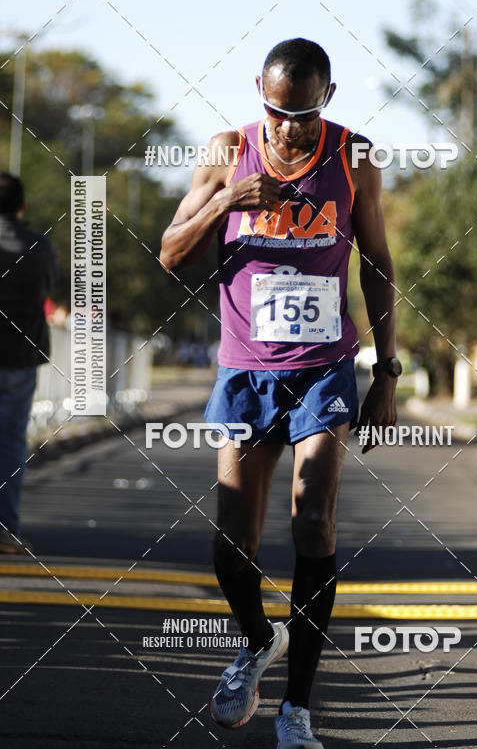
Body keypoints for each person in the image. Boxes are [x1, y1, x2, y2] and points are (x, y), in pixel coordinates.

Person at [160, 38, 400, 748]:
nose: (288, 127)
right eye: (276, 110)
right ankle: (257, 638)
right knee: (232, 545)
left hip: (324, 367)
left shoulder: (354, 158)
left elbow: (378, 263)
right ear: (257, 93)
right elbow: (171, 253)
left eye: (302, 113)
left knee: (313, 523)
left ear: (326, 98)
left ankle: (296, 708)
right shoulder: (226, 150)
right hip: (245, 369)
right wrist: (228, 200)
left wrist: (387, 371)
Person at [0, 172, 59, 554]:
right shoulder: (39, 245)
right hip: (19, 358)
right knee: (9, 444)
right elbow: (50, 287)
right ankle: (6, 530)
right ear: (21, 206)